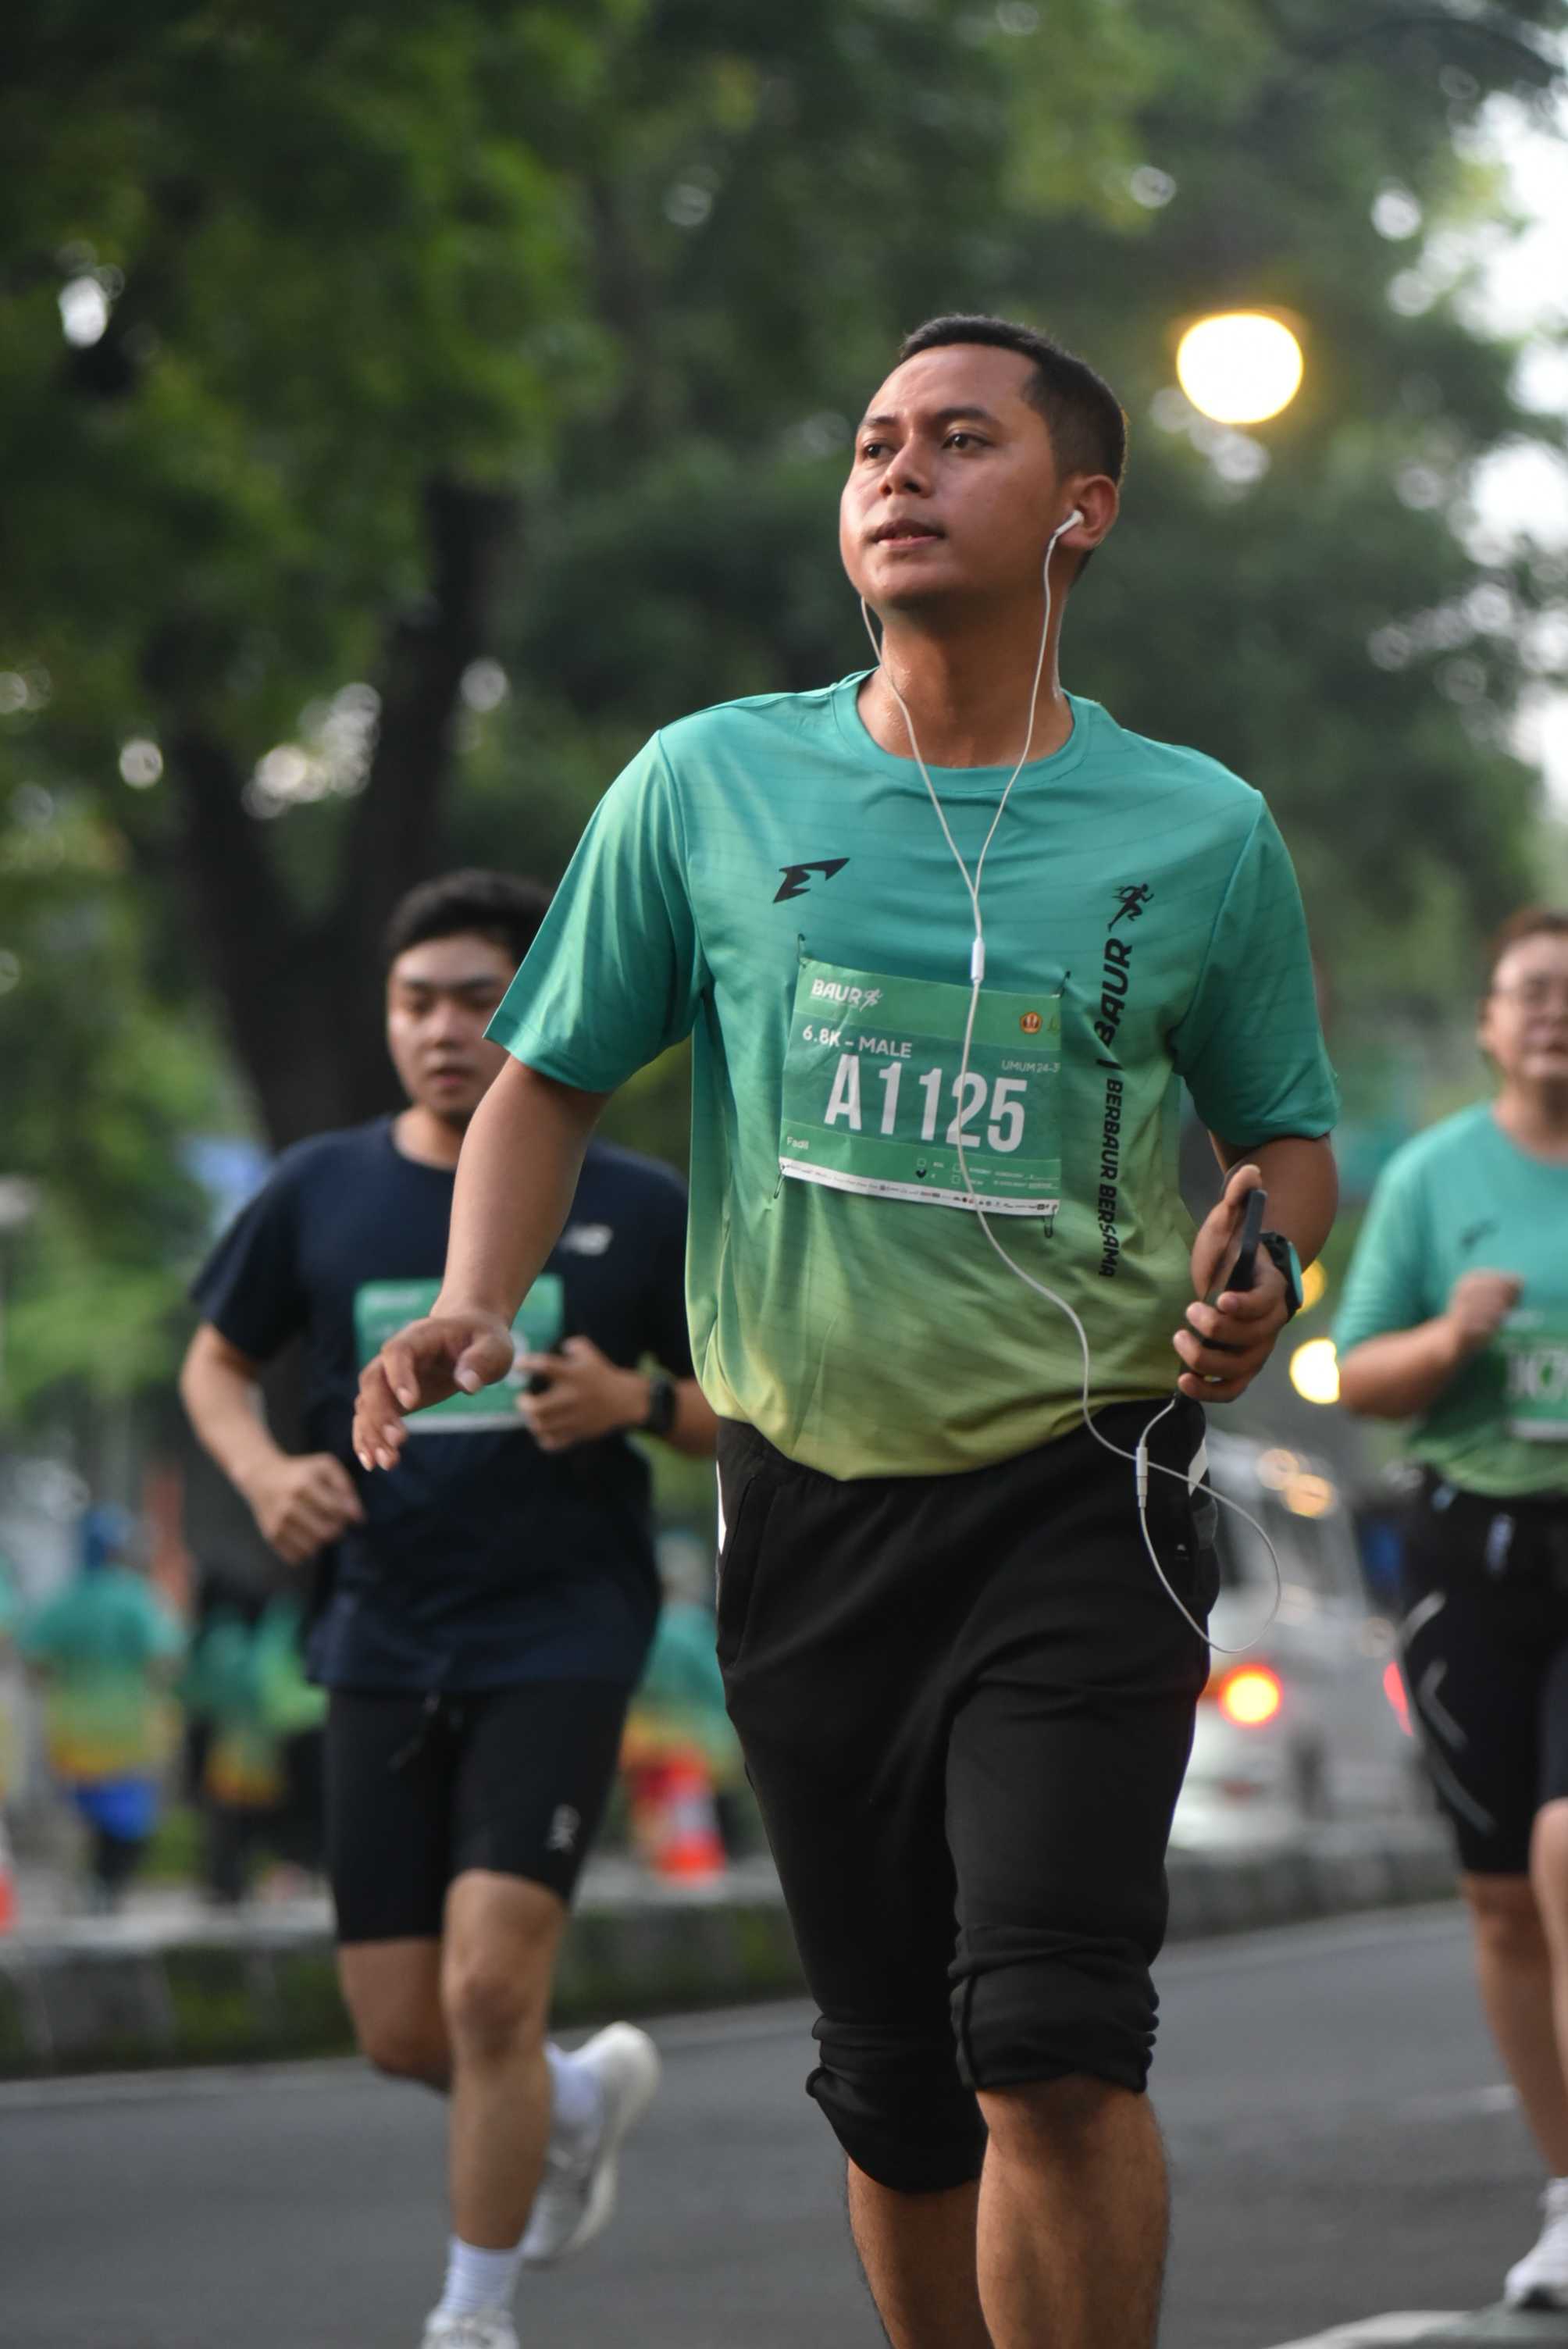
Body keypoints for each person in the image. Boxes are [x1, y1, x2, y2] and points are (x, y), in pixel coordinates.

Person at [355, 319, 1338, 2349]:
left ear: (1080, 509)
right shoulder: (709, 783)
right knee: (895, 2090)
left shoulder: (1198, 830)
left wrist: (1260, 1269)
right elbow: (548, 1078)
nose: (897, 471)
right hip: (807, 1508)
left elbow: (1284, 1143)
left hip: (1084, 1488)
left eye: (960, 440)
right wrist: (473, 1299)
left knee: (1047, 2039)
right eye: (876, 440)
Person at [180, 868, 715, 2349]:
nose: (442, 1028)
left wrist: (638, 1401)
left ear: (540, 1005)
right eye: (415, 1001)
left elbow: (748, 1406)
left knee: (488, 1992)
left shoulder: (634, 1204)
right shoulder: (318, 1189)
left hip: (562, 1628)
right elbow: (215, 1363)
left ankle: (471, 2317)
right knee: (402, 2028)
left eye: (479, 998)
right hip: (376, 1629)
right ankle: (576, 2096)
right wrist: (265, 1470)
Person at [1338, 905, 1568, 2312]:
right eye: (1528, 991)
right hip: (1468, 1550)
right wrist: (1451, 1336)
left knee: (1565, 1844)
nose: (1552, 1012)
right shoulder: (1434, 1177)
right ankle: (1564, 2188)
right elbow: (1354, 1371)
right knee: (1498, 1895)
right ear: (1487, 1023)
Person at [19, 1506, 184, 1912]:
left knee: (81, 1809)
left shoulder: (64, 1601)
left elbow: (34, 1662)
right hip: (126, 1724)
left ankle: (85, 1884)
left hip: (71, 1724)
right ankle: (109, 1884)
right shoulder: (136, 1598)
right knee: (127, 1809)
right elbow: (164, 1658)